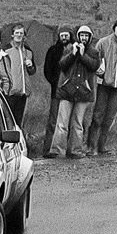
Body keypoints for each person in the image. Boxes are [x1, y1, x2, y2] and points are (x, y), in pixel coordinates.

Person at [48, 25, 99, 159]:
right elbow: (62, 65)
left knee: (77, 123)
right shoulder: (70, 48)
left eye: (86, 36)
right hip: (67, 90)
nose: (84, 38)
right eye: (82, 35)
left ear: (90, 38)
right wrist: (73, 53)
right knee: (62, 123)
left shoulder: (93, 52)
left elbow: (94, 66)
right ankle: (57, 150)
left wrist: (82, 56)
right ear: (78, 36)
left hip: (84, 91)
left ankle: (75, 150)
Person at [89, 18, 117, 156]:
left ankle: (102, 146)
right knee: (98, 115)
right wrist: (99, 72)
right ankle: (91, 147)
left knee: (110, 117)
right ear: (114, 28)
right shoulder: (103, 42)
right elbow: (94, 59)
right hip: (104, 84)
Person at [42, 25, 74, 156]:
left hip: (72, 92)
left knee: (69, 121)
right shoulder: (53, 50)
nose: (64, 37)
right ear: (59, 36)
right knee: (53, 121)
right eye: (62, 35)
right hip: (56, 91)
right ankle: (48, 149)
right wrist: (55, 82)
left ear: (70, 35)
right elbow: (47, 70)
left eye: (66, 34)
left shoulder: (75, 49)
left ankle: (66, 149)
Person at [3, 24, 37, 127]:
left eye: (21, 33)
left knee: (18, 122)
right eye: (16, 33)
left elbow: (32, 71)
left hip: (22, 93)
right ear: (12, 35)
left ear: (24, 36)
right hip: (9, 92)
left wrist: (30, 66)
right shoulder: (5, 50)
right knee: (7, 121)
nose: (19, 35)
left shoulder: (28, 51)